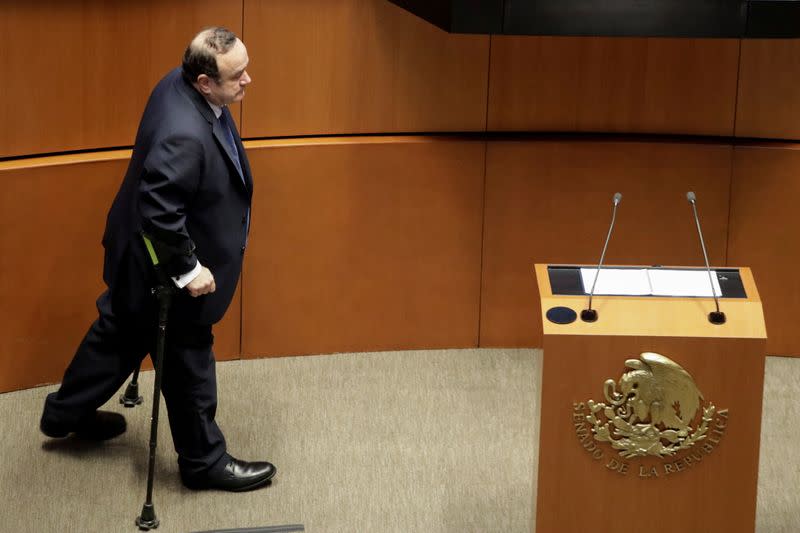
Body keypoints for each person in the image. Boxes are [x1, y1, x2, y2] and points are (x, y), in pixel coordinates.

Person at [39, 27, 276, 492]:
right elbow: (160, 211)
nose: (249, 80)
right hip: (163, 274)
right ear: (204, 82)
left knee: (117, 336)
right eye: (237, 75)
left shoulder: (179, 79)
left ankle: (62, 413)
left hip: (133, 258)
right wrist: (188, 269)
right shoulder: (183, 134)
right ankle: (204, 462)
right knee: (188, 364)